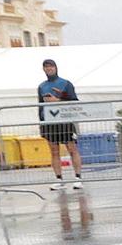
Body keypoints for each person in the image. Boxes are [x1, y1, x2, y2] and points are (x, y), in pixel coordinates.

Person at [37, 58, 84, 187]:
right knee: (54, 151)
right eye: (46, 67)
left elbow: (74, 101)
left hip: (65, 121)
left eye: (51, 66)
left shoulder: (66, 83)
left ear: (56, 68)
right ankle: (59, 179)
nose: (49, 69)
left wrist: (58, 100)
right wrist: (41, 122)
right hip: (49, 122)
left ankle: (78, 177)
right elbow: (40, 105)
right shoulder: (41, 86)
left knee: (72, 148)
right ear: (43, 69)